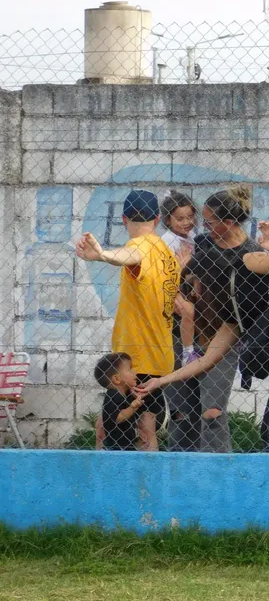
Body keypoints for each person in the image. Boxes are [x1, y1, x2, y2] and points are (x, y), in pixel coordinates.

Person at [136, 186, 269, 453]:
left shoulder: (247, 261)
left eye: (210, 221)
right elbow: (205, 360)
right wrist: (160, 381)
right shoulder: (232, 316)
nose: (193, 295)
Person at [75, 189, 179, 452]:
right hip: (159, 354)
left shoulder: (139, 246)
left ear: (123, 219)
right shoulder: (166, 252)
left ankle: (106, 485)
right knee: (147, 430)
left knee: (107, 427)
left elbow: (128, 256)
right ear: (157, 219)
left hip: (135, 359)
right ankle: (149, 487)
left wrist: (101, 255)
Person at [158, 190, 202, 451]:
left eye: (189, 217)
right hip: (173, 294)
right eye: (180, 219)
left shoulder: (193, 238)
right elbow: (169, 275)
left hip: (189, 291)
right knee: (180, 397)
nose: (186, 222)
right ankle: (188, 352)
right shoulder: (167, 242)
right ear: (167, 221)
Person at [94, 352, 143, 452]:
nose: (135, 372)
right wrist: (133, 407)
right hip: (117, 448)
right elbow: (117, 418)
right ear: (117, 379)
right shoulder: (113, 395)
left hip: (125, 445)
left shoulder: (124, 395)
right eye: (130, 369)